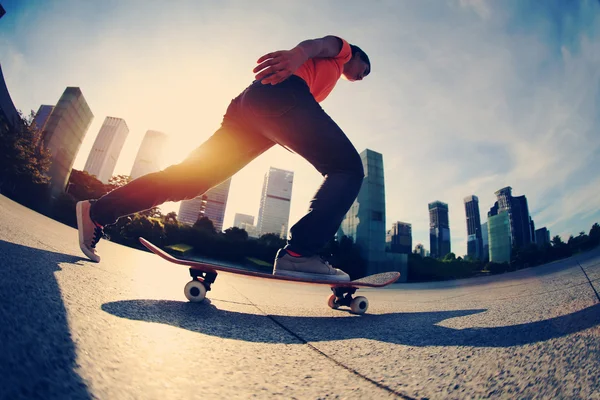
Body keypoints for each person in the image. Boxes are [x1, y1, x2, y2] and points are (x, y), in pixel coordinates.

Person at [76, 35, 371, 282]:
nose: (361, 77)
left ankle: (98, 211)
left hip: (251, 109)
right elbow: (321, 44)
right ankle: (301, 254)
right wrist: (297, 54)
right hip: (279, 98)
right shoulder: (341, 53)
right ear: (355, 56)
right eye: (364, 69)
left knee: (190, 179)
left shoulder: (326, 79)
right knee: (347, 168)